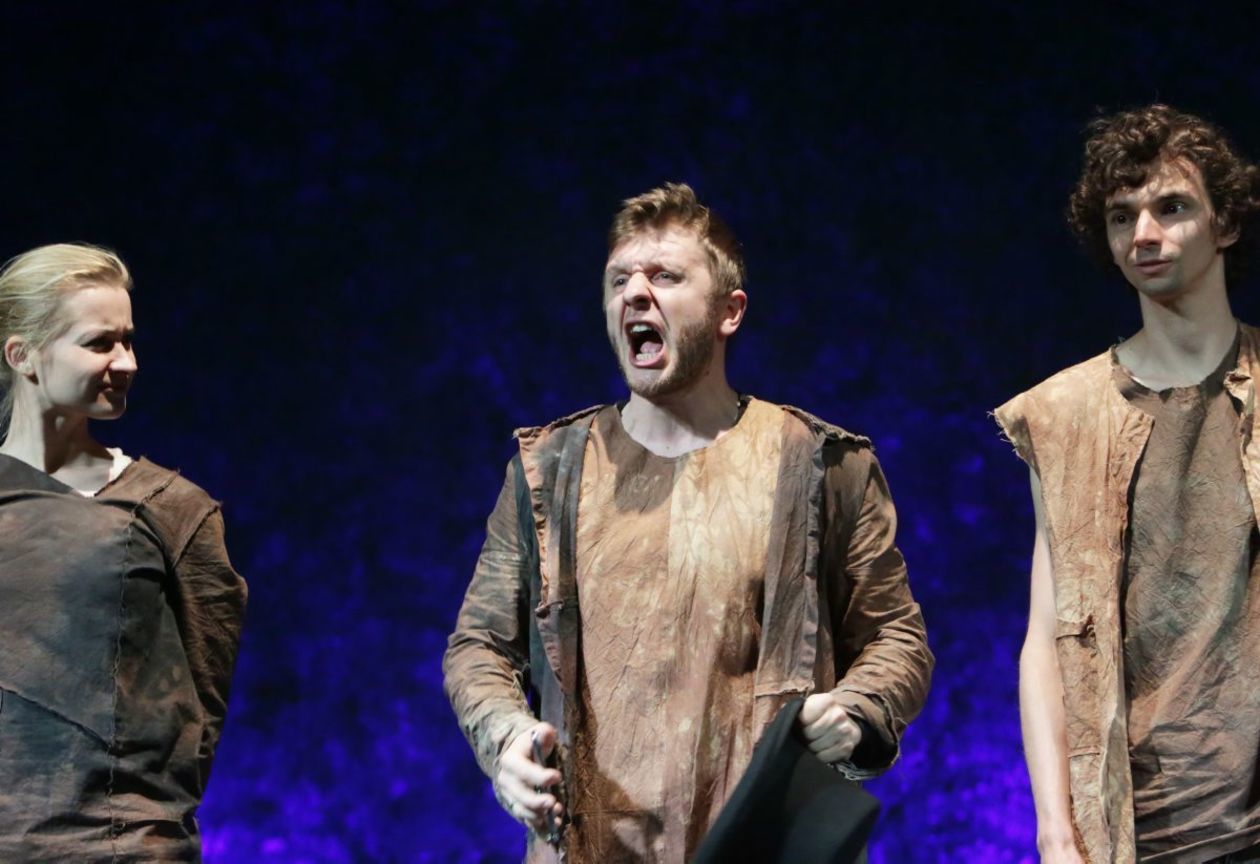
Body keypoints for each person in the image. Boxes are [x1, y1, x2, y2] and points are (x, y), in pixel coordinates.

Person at [444, 183, 932, 862]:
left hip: (760, 848)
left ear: (730, 311)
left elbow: (894, 635)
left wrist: (856, 710)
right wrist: (506, 738)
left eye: (665, 277)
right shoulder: (548, 471)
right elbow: (480, 645)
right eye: (619, 280)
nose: (635, 294)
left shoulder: (817, 464)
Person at [996, 105, 1260, 863]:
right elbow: (1047, 638)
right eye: (1122, 216)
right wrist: (1055, 830)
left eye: (1171, 208)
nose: (1144, 234)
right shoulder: (1065, 415)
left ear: (1224, 223)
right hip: (1134, 828)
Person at [0, 243, 248, 861]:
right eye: (99, 343)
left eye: (129, 341)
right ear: (22, 355)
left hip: (121, 846)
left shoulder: (170, 509)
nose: (127, 362)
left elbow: (202, 710)